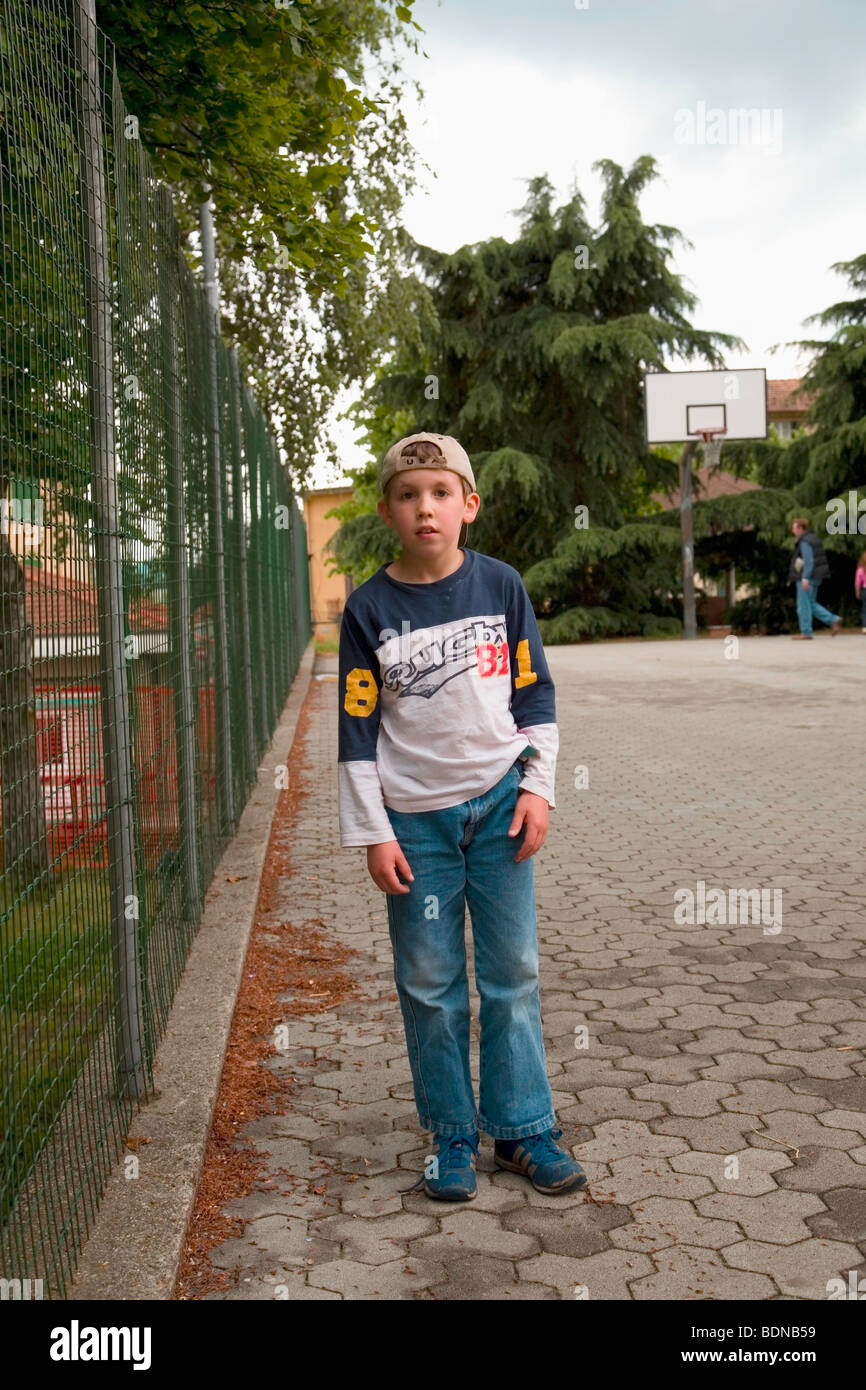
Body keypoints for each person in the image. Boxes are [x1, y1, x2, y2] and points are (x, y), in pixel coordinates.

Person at [337, 432, 587, 1202]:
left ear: (468, 505)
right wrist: (373, 830)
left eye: (441, 492)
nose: (426, 508)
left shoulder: (501, 587)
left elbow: (534, 694)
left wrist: (539, 788)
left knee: (513, 973)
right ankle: (450, 1136)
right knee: (430, 980)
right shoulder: (368, 609)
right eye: (409, 495)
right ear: (388, 511)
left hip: (501, 811)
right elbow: (356, 729)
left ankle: (520, 1129)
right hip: (416, 827)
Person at [787, 517, 841, 639]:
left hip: (807, 577)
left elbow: (809, 560)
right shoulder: (813, 538)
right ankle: (833, 620)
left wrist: (805, 578)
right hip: (816, 576)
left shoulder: (805, 541)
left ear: (800, 528)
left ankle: (806, 632)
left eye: (794, 527)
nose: (792, 530)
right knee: (810, 603)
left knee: (803, 605)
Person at [855, 550, 866, 634]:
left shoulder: (860, 570)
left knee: (864, 609)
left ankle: (865, 627)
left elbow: (858, 583)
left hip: (865, 590)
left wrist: (857, 592)